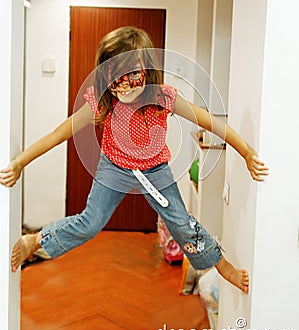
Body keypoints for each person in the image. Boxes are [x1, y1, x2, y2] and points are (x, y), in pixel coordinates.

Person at [0, 26, 268, 293]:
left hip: (154, 171)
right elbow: (59, 133)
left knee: (182, 224)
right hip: (113, 167)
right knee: (90, 223)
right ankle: (35, 241)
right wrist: (20, 162)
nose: (125, 84)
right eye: (115, 75)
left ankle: (223, 267)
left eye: (132, 74)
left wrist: (246, 151)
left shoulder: (163, 97)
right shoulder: (102, 101)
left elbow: (210, 122)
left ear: (147, 71)